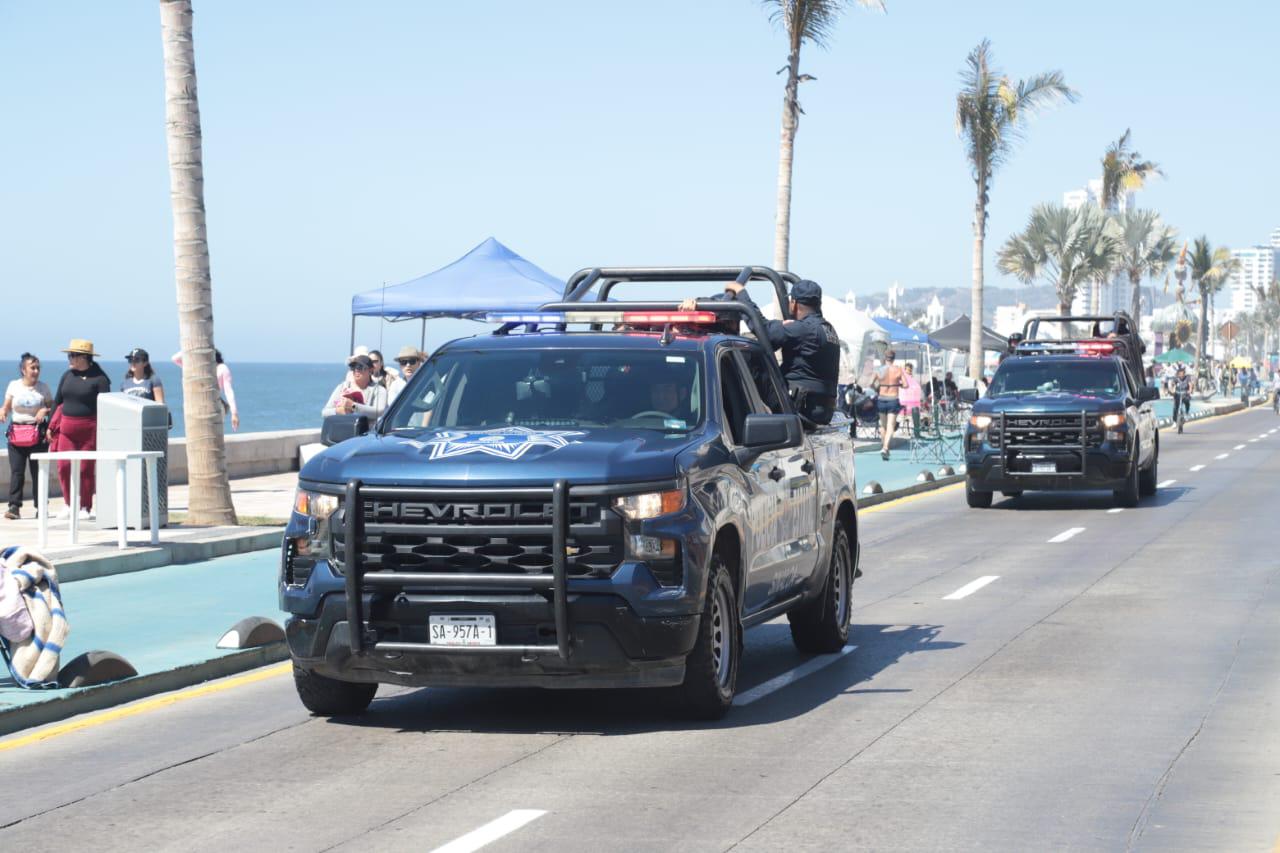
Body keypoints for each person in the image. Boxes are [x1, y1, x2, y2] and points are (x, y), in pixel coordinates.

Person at [723, 278, 841, 425]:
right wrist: (782, 327)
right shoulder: (827, 329)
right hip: (820, 410)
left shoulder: (804, 330)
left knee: (747, 354)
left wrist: (740, 292)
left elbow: (765, 331)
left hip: (798, 409)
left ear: (794, 303)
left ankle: (734, 416)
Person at [51, 339, 110, 518]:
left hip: (89, 429)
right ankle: (69, 504)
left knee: (85, 468)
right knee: (64, 466)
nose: (70, 358)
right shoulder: (67, 375)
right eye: (69, 355)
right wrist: (49, 426)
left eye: (73, 355)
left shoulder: (100, 378)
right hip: (66, 429)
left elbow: (106, 405)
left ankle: (85, 506)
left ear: (84, 357)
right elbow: (57, 400)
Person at [1, 354, 53, 520]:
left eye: (38, 368)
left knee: (38, 472)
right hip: (17, 434)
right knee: (17, 473)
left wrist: (44, 410)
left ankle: (42, 507)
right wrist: (2, 412)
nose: (36, 371)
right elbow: (7, 406)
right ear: (23, 370)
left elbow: (52, 407)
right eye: (32, 367)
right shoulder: (14, 386)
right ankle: (14, 507)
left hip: (37, 435)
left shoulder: (43, 388)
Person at [171, 348, 239, 430]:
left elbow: (228, 391)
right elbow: (175, 359)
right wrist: (193, 348)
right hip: (197, 407)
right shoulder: (196, 368)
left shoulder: (222, 368)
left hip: (214, 405)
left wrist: (234, 413)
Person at [323, 354, 388, 417]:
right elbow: (325, 412)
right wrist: (337, 411)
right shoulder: (342, 387)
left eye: (360, 367)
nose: (356, 370)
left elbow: (379, 411)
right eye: (353, 367)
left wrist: (353, 406)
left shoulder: (379, 390)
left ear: (370, 370)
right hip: (343, 427)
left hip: (366, 428)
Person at [874, 350, 904, 459]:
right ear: (894, 358)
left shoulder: (879, 370)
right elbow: (906, 384)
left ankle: (884, 447)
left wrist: (880, 387)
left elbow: (872, 384)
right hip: (893, 398)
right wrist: (897, 384)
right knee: (890, 425)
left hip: (881, 399)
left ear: (885, 358)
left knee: (883, 426)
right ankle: (886, 447)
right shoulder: (898, 370)